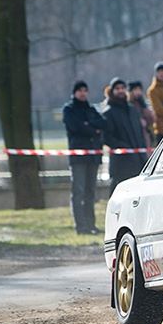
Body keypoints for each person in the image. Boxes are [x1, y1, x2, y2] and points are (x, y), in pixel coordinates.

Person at [63, 80, 106, 235]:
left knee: (90, 192)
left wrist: (89, 125)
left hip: (93, 157)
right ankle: (80, 226)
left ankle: (91, 225)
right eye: (79, 90)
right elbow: (75, 127)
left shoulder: (91, 109)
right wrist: (93, 129)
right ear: (74, 93)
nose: (82, 93)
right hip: (78, 158)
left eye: (85, 90)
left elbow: (103, 123)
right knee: (78, 192)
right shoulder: (69, 109)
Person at [103, 78, 148, 196]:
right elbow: (106, 137)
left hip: (138, 160)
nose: (120, 91)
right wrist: (123, 147)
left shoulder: (132, 110)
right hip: (121, 163)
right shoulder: (108, 112)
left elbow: (140, 133)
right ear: (112, 91)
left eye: (123, 88)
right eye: (117, 89)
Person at [128, 80, 156, 149]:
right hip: (132, 136)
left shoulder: (142, 103)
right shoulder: (128, 105)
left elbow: (151, 119)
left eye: (139, 90)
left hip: (145, 135)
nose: (138, 92)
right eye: (135, 90)